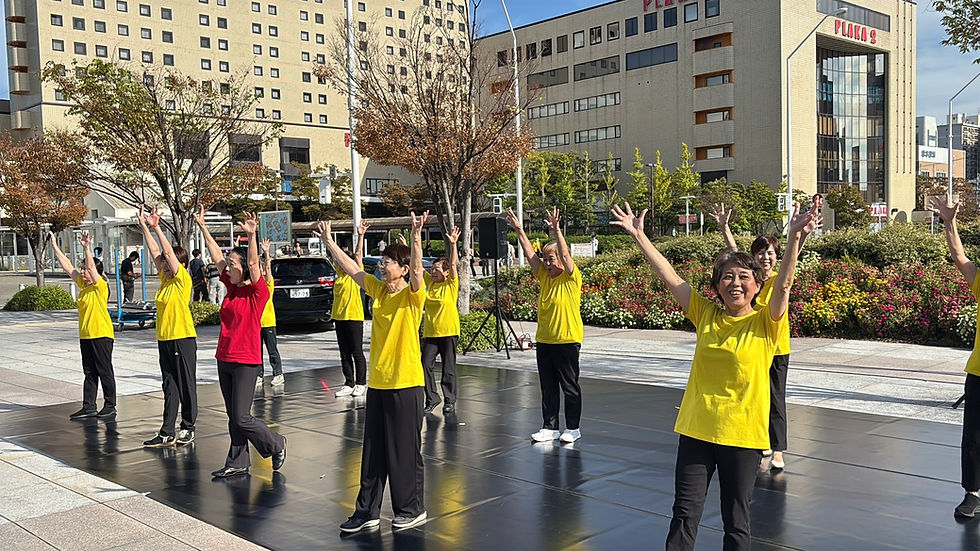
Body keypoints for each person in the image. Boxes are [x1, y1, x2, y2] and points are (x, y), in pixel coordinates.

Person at [610, 200, 819, 551]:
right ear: (717, 285)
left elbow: (783, 286)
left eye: (743, 277)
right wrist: (639, 237)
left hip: (743, 434)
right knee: (684, 513)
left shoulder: (766, 322)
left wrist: (795, 239)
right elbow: (670, 277)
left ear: (756, 285)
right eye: (727, 277)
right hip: (697, 429)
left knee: (736, 520)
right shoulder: (705, 315)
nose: (734, 283)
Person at [315, 212, 428, 534]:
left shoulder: (412, 296)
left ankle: (411, 508)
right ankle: (367, 511)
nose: (382, 264)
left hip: (406, 384)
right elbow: (352, 269)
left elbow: (419, 272)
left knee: (404, 451)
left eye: (389, 261)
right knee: (373, 451)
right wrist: (328, 242)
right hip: (379, 384)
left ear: (402, 269)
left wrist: (416, 235)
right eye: (382, 260)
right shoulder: (379, 292)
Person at [711, 202, 814, 471]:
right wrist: (725, 228)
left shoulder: (780, 279)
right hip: (751, 345)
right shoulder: (749, 281)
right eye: (760, 253)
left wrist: (800, 234)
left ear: (776, 257)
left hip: (776, 347)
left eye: (770, 253)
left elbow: (793, 258)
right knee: (753, 395)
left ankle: (778, 450)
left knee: (775, 397)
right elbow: (734, 256)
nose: (765, 257)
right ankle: (758, 442)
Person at [195, 207, 286, 479]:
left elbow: (255, 265)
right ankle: (238, 461)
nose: (228, 266)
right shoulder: (232, 287)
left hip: (246, 360)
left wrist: (252, 235)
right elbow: (215, 256)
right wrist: (202, 226)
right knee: (232, 416)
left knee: (242, 417)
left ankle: (275, 443)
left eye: (233, 264)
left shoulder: (257, 291)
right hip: (224, 358)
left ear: (244, 268)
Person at [505, 207, 584, 444]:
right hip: (545, 340)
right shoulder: (544, 277)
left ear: (561, 260)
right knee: (548, 386)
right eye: (546, 260)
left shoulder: (571, 277)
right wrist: (519, 230)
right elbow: (530, 255)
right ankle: (550, 427)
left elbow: (567, 256)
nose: (547, 264)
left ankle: (573, 427)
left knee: (569, 387)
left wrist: (556, 230)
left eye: (552, 260)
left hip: (567, 340)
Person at [929, 198, 980, 519]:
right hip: (979, 372)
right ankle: (972, 493)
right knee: (973, 435)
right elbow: (959, 257)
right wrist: (949, 222)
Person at [136, 207, 198, 448]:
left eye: (167, 262)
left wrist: (157, 226)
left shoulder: (183, 280)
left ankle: (188, 426)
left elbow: (167, 252)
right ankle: (166, 431)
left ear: (179, 264)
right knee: (169, 386)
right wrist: (143, 226)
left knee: (185, 384)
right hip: (164, 339)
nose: (162, 264)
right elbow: (155, 251)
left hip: (182, 338)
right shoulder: (165, 280)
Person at [51, 231, 117, 420]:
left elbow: (92, 269)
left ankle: (110, 405)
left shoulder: (100, 286)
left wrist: (87, 248)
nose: (82, 272)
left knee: (104, 371)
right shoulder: (84, 286)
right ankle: (89, 406)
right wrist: (55, 246)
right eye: (82, 269)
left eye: (86, 269)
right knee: (89, 372)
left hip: (101, 334)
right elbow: (68, 267)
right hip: (86, 335)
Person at [422, 226, 461, 415]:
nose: (434, 272)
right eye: (433, 269)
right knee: (425, 364)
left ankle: (450, 400)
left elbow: (453, 265)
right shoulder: (429, 282)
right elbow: (416, 267)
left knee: (448, 368)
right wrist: (410, 243)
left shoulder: (451, 284)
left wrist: (453, 245)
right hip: (430, 333)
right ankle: (432, 398)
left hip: (448, 332)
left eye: (437, 269)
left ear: (445, 273)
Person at [333, 220, 370, 398]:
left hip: (354, 317)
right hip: (339, 318)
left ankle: (361, 383)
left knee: (356, 351)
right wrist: (327, 240)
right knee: (344, 353)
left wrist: (361, 235)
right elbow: (334, 255)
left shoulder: (356, 274)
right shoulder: (339, 275)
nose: (341, 264)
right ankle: (349, 382)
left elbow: (358, 254)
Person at [258, 238, 285, 388]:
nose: (261, 271)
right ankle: (259, 375)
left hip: (268, 322)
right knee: (257, 352)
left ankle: (278, 373)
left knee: (272, 350)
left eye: (262, 269)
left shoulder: (268, 283)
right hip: (256, 323)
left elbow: (268, 268)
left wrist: (266, 253)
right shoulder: (254, 285)